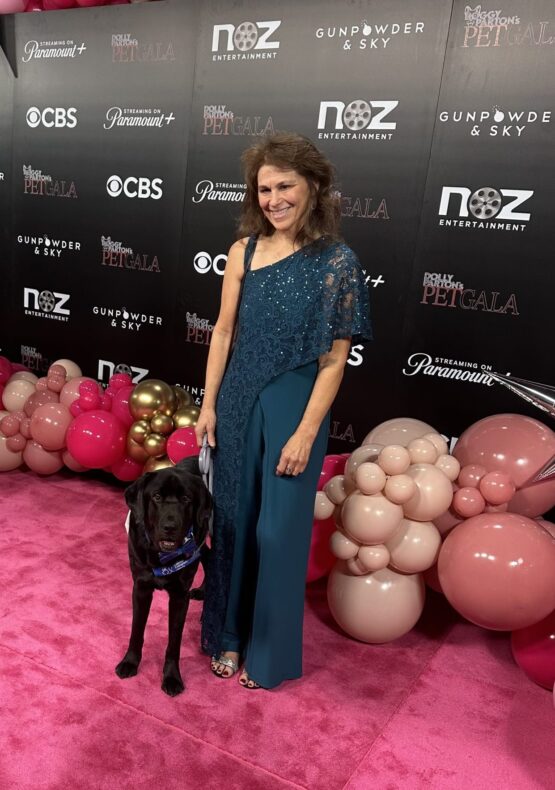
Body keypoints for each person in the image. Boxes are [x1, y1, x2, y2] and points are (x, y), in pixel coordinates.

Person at [194, 132, 372, 690]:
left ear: (313, 186)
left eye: (285, 186)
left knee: (277, 532)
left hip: (296, 408)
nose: (273, 199)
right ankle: (227, 635)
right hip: (237, 399)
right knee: (232, 521)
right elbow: (223, 332)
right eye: (264, 189)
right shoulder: (244, 251)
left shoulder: (337, 262)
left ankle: (267, 653)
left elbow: (334, 360)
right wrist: (209, 404)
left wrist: (306, 433)